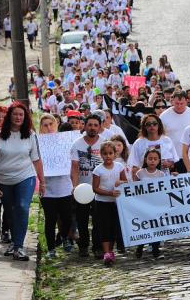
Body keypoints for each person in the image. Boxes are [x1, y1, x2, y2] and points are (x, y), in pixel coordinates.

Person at [0, 102, 45, 261]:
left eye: (21, 114)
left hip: (25, 177)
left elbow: (37, 159)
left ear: (25, 117)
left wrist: (43, 181)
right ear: (9, 116)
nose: (18, 117)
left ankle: (19, 247)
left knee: (21, 206)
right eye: (15, 114)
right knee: (10, 212)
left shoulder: (30, 135)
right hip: (4, 179)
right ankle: (15, 241)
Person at [39, 114, 74, 258]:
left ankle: (64, 237)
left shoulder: (66, 141)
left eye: (51, 124)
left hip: (65, 186)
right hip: (47, 188)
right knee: (50, 219)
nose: (48, 128)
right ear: (41, 127)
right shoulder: (38, 143)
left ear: (56, 125)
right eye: (45, 125)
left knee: (67, 218)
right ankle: (51, 249)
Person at [70, 114, 105, 258]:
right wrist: (75, 186)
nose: (92, 128)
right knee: (82, 219)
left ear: (99, 127)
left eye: (95, 125)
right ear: (84, 126)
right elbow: (75, 167)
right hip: (82, 189)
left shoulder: (104, 143)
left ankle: (98, 247)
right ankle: (83, 246)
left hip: (99, 189)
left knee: (98, 220)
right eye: (90, 125)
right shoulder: (77, 144)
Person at [92, 141, 127, 266]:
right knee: (104, 227)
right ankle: (106, 252)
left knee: (114, 227)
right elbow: (95, 188)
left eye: (110, 153)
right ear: (101, 155)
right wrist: (109, 193)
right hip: (102, 203)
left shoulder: (119, 167)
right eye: (105, 154)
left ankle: (111, 251)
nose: (108, 156)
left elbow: (125, 181)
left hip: (116, 203)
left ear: (115, 154)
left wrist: (120, 183)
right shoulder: (98, 170)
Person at [133, 148, 165, 259]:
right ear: (146, 159)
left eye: (155, 159)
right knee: (144, 226)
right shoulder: (140, 173)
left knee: (156, 226)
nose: (152, 161)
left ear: (158, 161)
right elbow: (134, 189)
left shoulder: (161, 174)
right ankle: (140, 247)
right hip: (143, 205)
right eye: (150, 158)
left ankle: (155, 249)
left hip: (156, 206)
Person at [128, 114, 179, 178]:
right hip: (145, 180)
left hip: (164, 178)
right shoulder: (138, 143)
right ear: (144, 127)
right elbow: (134, 165)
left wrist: (169, 164)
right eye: (148, 124)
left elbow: (173, 161)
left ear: (159, 125)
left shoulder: (167, 140)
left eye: (154, 123)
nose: (152, 126)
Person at [159, 91, 190, 173]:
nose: (179, 106)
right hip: (171, 156)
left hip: (189, 156)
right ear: (172, 101)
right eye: (177, 103)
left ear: (186, 101)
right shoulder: (164, 116)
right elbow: (160, 137)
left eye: (181, 103)